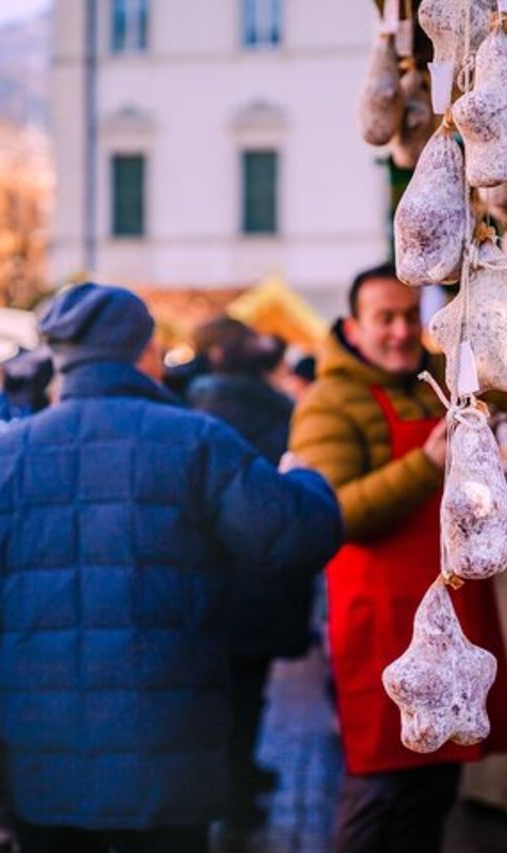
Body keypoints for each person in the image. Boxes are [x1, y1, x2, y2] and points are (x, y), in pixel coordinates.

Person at [0, 283, 343, 853]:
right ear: (143, 351)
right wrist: (304, 478)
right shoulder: (196, 441)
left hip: (40, 757)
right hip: (169, 753)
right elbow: (294, 536)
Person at [289, 266, 507, 853]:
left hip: (451, 606)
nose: (401, 331)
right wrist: (426, 464)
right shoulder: (328, 403)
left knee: (437, 778)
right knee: (381, 784)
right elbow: (336, 514)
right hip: (383, 618)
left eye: (408, 316)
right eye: (384, 319)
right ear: (353, 326)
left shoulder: (438, 380)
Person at [187, 317, 313, 831]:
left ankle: (223, 785)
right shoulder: (279, 412)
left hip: (206, 574)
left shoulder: (192, 410)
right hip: (261, 570)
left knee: (212, 690)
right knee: (248, 689)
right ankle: (239, 783)